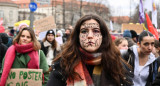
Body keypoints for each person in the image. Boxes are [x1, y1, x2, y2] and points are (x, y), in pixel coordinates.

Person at [47, 14, 132, 86]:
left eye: (95, 31)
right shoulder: (63, 64)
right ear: (78, 36)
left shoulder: (117, 65)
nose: (89, 35)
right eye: (84, 31)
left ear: (103, 36)